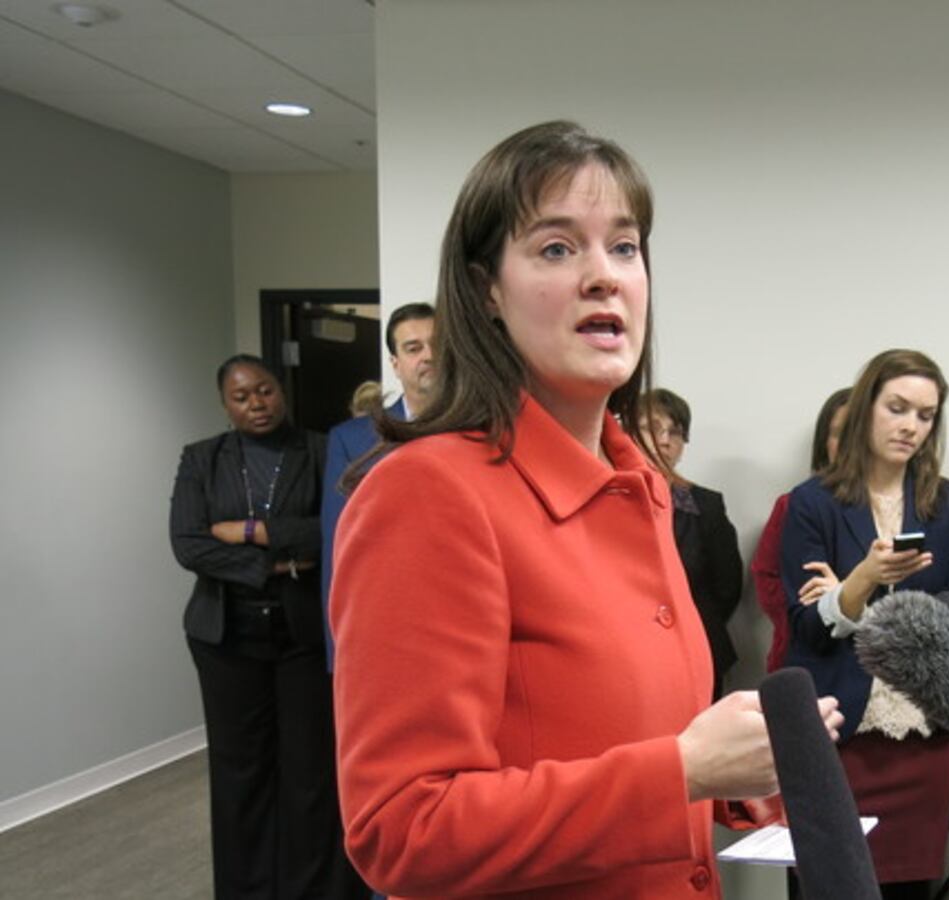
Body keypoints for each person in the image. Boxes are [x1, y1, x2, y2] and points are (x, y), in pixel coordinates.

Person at [328, 121, 839, 900]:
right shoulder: (428, 493)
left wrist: (741, 772)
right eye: (557, 248)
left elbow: (612, 742)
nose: (604, 276)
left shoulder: (642, 484)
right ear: (485, 291)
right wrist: (683, 772)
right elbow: (402, 830)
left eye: (625, 247)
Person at [168, 354, 365, 899]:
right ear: (225, 405)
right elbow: (188, 542)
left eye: (265, 390)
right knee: (241, 774)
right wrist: (274, 564)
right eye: (242, 396)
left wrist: (251, 531)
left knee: (310, 775)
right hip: (225, 639)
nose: (256, 404)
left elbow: (333, 530)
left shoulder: (325, 450)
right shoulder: (201, 459)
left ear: (283, 390)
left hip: (303, 637)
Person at [782, 349, 949, 899]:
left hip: (922, 740)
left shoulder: (945, 502)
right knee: (826, 887)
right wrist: (866, 575)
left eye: (925, 415)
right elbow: (808, 629)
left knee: (912, 891)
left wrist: (847, 599)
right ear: (867, 408)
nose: (911, 426)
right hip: (839, 739)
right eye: (898, 408)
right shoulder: (810, 503)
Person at [320, 302, 435, 667]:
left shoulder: (490, 431)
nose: (429, 356)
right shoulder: (353, 441)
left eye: (440, 345)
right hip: (388, 625)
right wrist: (339, 652)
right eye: (413, 348)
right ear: (395, 364)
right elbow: (338, 548)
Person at [639, 387, 744, 699]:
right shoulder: (608, 499)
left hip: (698, 646)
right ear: (627, 431)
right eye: (651, 428)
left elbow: (727, 588)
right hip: (629, 652)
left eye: (676, 432)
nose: (664, 440)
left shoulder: (706, 504)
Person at [752, 386, 851, 673]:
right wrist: (801, 615)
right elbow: (766, 575)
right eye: (836, 434)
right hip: (807, 650)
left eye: (854, 435)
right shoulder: (795, 503)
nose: (846, 445)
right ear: (824, 442)